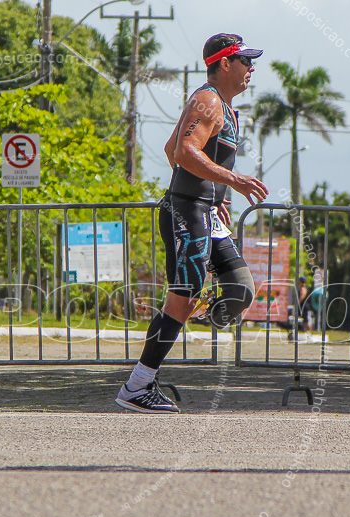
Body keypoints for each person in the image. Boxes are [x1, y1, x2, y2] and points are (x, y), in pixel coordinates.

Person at [115, 34, 268, 414]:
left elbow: (174, 149)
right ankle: (137, 386)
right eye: (245, 61)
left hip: (205, 212)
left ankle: (196, 310)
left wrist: (216, 194)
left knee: (241, 290)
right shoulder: (207, 100)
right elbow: (184, 151)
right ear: (224, 64)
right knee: (180, 298)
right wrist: (227, 182)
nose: (252, 68)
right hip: (187, 213)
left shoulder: (225, 108)